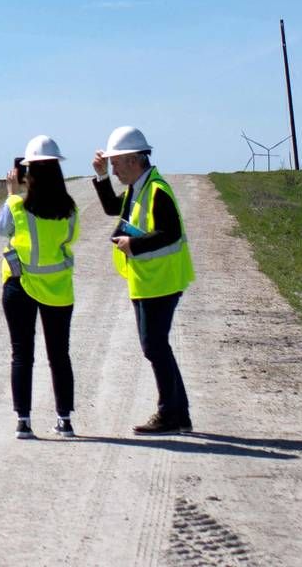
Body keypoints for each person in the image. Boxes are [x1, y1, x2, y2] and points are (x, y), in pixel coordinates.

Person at [92, 125, 196, 435]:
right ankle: (179, 414)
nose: (114, 169)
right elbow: (113, 208)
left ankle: (169, 414)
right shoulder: (141, 187)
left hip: (161, 281)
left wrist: (134, 245)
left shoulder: (156, 190)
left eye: (116, 164)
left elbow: (170, 232)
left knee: (154, 347)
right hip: (147, 280)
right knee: (156, 346)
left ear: (134, 160)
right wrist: (100, 178)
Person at [0, 135, 78, 439]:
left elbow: (1, 230)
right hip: (58, 289)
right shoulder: (70, 209)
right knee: (59, 356)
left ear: (27, 172)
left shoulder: (17, 205)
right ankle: (64, 420)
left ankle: (24, 421)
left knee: (22, 354)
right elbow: (69, 239)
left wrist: (11, 194)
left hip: (20, 286)